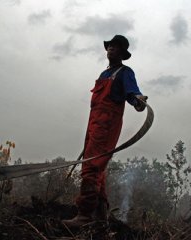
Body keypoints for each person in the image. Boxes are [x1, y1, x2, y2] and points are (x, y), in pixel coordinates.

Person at [62, 35, 148, 227]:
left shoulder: (125, 72)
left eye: (115, 47)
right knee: (97, 168)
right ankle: (100, 216)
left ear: (122, 53)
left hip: (107, 125)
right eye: (109, 46)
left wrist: (138, 101)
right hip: (93, 124)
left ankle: (84, 215)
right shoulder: (103, 75)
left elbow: (133, 93)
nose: (110, 48)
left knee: (91, 167)